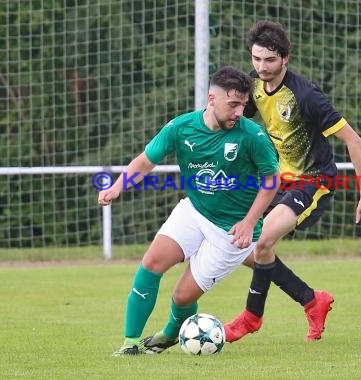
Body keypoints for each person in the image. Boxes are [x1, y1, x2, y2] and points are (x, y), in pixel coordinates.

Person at [98, 66, 280, 355]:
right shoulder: (181, 127)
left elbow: (272, 181)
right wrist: (118, 186)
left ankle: (170, 334)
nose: (239, 112)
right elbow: (146, 161)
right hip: (195, 211)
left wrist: (249, 222)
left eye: (244, 105)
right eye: (233, 104)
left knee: (181, 298)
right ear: (212, 99)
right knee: (151, 263)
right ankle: (130, 344)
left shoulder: (252, 136)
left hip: (231, 232)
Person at [223, 21, 361, 343]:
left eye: (269, 60)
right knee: (242, 245)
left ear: (285, 59)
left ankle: (251, 317)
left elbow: (354, 141)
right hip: (279, 180)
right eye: (256, 59)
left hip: (314, 181)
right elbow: (235, 121)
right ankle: (311, 299)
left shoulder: (305, 96)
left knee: (261, 240)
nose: (261, 67)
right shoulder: (253, 86)